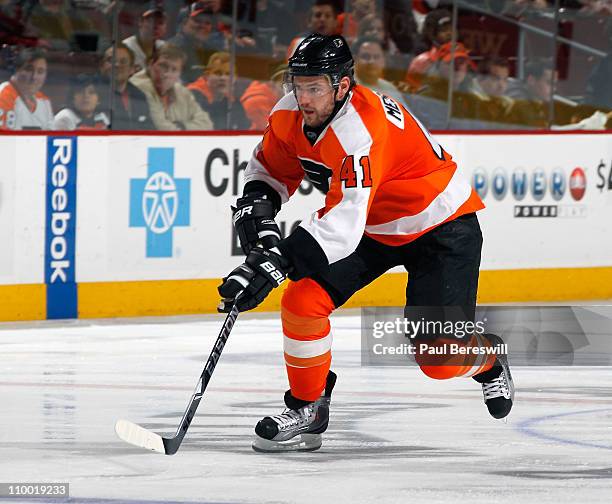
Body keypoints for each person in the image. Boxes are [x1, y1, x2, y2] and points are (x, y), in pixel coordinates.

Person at [217, 34, 515, 453]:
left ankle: (486, 358)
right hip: (373, 225)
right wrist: (260, 227)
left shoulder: (361, 130)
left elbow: (341, 226)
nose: (303, 97)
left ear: (342, 86)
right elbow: (268, 171)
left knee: (440, 361)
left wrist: (275, 261)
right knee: (302, 301)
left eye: (315, 87)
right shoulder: (290, 113)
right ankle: (308, 407)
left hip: (439, 226)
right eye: (298, 84)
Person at [130, 43, 212, 131]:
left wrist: (182, 126)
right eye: (163, 66)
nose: (167, 74)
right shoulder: (139, 86)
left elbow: (207, 124)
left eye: (174, 69)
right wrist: (188, 128)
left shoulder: (181, 91)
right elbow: (161, 128)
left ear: (179, 74)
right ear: (150, 65)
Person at [98, 43, 154, 130]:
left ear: (132, 69)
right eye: (110, 60)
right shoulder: (92, 94)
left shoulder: (139, 96)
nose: (116, 65)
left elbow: (149, 131)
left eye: (123, 62)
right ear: (101, 66)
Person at [167, 2, 227, 83]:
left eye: (207, 23)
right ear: (184, 23)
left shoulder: (210, 51)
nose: (203, 26)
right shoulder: (172, 48)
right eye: (197, 21)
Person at [187, 51, 249, 130]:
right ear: (206, 75)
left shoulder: (233, 102)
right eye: (218, 73)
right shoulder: (193, 96)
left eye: (228, 74)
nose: (223, 78)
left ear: (235, 78)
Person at [0, 47, 54, 130]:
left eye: (40, 71)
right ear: (16, 69)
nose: (34, 77)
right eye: (29, 69)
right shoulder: (3, 95)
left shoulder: (44, 101)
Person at [352, 36, 407, 107]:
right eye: (366, 56)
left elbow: (407, 116)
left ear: (383, 61)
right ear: (355, 59)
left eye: (376, 57)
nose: (371, 61)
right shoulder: (346, 86)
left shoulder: (390, 88)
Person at [122, 7, 167, 73]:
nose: (155, 26)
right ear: (140, 22)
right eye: (151, 21)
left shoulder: (165, 48)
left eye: (160, 23)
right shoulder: (125, 47)